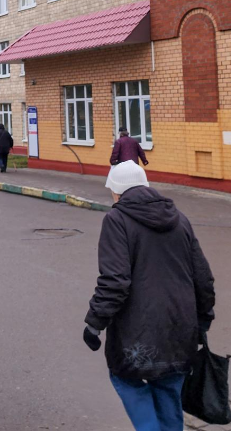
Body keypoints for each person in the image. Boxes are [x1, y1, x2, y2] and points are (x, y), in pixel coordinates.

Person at [83, 161, 215, 431]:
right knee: (168, 385)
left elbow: (115, 281)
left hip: (137, 329)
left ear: (116, 191)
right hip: (180, 325)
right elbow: (203, 276)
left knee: (125, 378)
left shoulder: (117, 220)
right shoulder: (179, 218)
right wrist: (203, 318)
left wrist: (95, 323)